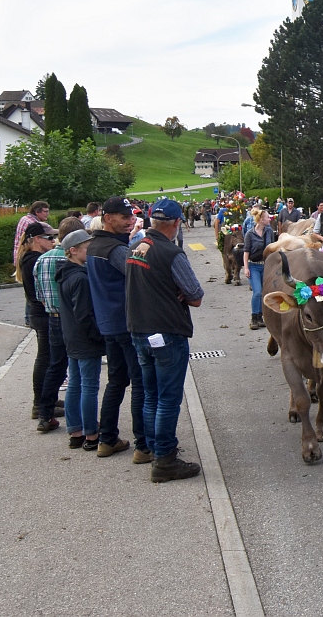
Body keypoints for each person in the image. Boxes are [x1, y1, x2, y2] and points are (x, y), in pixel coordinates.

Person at [125, 199, 205, 483]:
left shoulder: (134, 247)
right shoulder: (172, 253)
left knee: (150, 394)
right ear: (175, 223)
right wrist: (179, 293)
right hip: (166, 332)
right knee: (168, 398)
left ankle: (150, 448)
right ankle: (165, 459)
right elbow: (195, 295)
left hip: (138, 329)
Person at [88, 196, 146, 461]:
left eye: (131, 217)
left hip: (108, 323)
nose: (130, 221)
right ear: (107, 217)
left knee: (117, 381)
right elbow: (139, 275)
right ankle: (144, 445)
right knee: (140, 383)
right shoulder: (114, 249)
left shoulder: (94, 245)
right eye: (124, 217)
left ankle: (107, 439)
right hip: (125, 323)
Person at [33, 217, 87, 428]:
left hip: (52, 317)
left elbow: (38, 294)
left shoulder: (42, 260)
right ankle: (82, 417)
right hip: (73, 318)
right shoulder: (74, 261)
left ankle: (44, 413)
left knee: (55, 366)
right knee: (79, 370)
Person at [56, 230, 104, 452]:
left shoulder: (64, 274)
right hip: (85, 340)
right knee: (89, 386)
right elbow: (84, 315)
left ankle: (75, 431)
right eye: (87, 248)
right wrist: (98, 336)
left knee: (75, 384)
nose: (90, 252)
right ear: (73, 251)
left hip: (71, 338)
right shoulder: (80, 278)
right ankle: (91, 432)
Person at [17, 221, 56, 430]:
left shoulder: (30, 258)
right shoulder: (33, 259)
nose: (53, 241)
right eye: (49, 238)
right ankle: (39, 402)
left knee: (47, 357)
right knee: (46, 358)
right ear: (36, 240)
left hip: (39, 313)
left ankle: (44, 398)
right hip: (42, 313)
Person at [243, 207, 275, 330]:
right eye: (267, 217)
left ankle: (261, 317)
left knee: (265, 292)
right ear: (261, 219)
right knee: (257, 292)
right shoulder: (250, 234)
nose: (269, 218)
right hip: (254, 265)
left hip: (266, 266)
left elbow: (272, 249)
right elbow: (246, 252)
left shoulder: (269, 232)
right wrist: (246, 268)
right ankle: (254, 317)